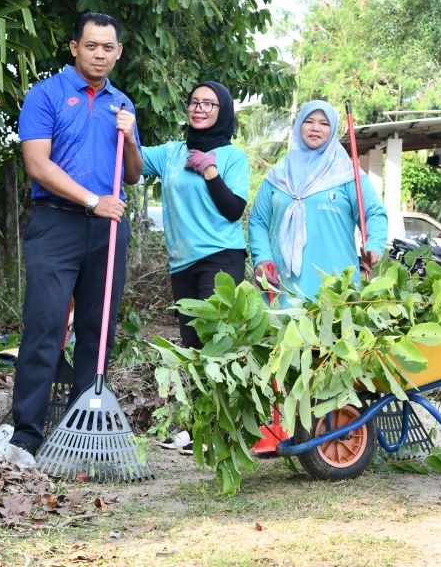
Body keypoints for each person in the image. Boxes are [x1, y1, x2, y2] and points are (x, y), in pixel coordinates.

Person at [11, 12, 142, 455]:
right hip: (56, 223)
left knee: (97, 327)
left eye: (108, 47)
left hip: (107, 230)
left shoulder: (123, 105)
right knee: (45, 323)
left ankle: (82, 428)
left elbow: (134, 175)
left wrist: (131, 139)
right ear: (74, 47)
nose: (100, 54)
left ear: (118, 52)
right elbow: (37, 164)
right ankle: (27, 433)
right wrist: (92, 200)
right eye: (92, 46)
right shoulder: (46, 95)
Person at [141, 81, 249, 454]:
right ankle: (194, 428)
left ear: (223, 112)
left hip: (222, 257)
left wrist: (211, 172)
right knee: (191, 345)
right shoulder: (172, 153)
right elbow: (133, 161)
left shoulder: (233, 157)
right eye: (195, 102)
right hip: (182, 261)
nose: (200, 109)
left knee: (217, 344)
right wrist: (121, 127)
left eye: (210, 104)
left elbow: (234, 210)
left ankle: (223, 427)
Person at [248, 100, 388, 306]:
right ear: (298, 126)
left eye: (324, 123)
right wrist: (263, 259)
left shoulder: (348, 174)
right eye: (309, 121)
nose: (315, 128)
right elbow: (258, 220)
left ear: (332, 130)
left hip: (336, 289)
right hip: (282, 287)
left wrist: (374, 245)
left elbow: (374, 213)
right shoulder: (278, 175)